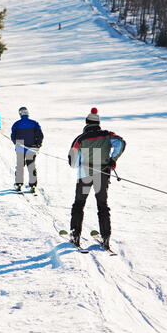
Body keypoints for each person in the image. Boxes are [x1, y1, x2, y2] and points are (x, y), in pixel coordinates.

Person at [68, 107, 126, 250]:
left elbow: (72, 161)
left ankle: (75, 234)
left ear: (87, 123)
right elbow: (121, 142)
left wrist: (79, 162)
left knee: (79, 204)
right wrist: (113, 159)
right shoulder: (107, 135)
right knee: (102, 205)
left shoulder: (80, 139)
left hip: (84, 175)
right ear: (98, 123)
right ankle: (106, 236)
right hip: (103, 174)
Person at [11, 107, 44, 193]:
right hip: (32, 147)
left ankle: (18, 184)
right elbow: (40, 135)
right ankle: (33, 185)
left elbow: (13, 136)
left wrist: (16, 142)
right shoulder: (34, 123)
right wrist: (38, 144)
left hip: (20, 147)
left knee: (20, 166)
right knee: (31, 166)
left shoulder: (16, 124)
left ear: (20, 114)